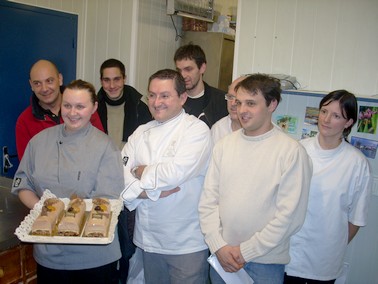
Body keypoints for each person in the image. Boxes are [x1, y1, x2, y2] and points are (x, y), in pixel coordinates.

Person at [198, 73, 313, 284]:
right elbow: (208, 201)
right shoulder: (224, 145)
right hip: (222, 258)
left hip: (264, 262)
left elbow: (290, 218)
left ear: (272, 104)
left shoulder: (291, 152)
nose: (241, 110)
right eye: (238, 102)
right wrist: (218, 246)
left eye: (251, 103)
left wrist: (245, 252)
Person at [12, 80, 123, 284]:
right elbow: (23, 184)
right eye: (67, 105)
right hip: (49, 254)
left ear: (94, 108)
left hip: (93, 255)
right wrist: (45, 212)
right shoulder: (39, 141)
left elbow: (106, 202)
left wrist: (67, 218)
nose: (72, 112)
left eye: (80, 106)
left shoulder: (106, 147)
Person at [121, 69, 212, 283]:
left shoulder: (196, 130)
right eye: (152, 95)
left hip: (185, 242)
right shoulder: (141, 132)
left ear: (182, 98)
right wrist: (144, 193)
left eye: (164, 95)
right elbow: (118, 174)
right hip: (148, 240)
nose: (156, 102)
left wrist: (141, 171)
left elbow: (175, 173)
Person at [284, 90, 372, 284]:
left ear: (348, 122)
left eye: (336, 116)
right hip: (288, 254)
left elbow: (356, 219)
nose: (326, 119)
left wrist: (332, 244)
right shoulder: (298, 149)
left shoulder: (356, 163)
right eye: (324, 112)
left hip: (324, 261)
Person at [96, 58, 152, 283]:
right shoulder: (93, 105)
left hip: (129, 180)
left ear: (124, 78)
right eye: (106, 80)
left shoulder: (140, 105)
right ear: (101, 81)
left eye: (116, 79)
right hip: (101, 181)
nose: (112, 85)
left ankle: (124, 277)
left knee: (127, 239)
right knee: (102, 235)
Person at [15, 59, 104, 161]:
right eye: (37, 83)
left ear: (60, 79)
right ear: (31, 85)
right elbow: (27, 166)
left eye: (49, 81)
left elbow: (100, 150)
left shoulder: (84, 109)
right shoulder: (24, 121)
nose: (44, 89)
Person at [174, 43, 228, 127]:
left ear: (202, 68)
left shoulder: (222, 101)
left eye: (188, 69)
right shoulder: (173, 100)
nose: (183, 75)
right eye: (179, 70)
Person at [211, 76, 244, 143]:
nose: (233, 103)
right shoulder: (218, 129)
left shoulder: (260, 129)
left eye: (238, 99)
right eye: (230, 97)